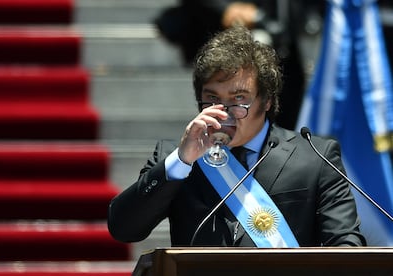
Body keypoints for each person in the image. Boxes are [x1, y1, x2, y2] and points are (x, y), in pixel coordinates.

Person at [108, 25, 366, 247]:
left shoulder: (315, 157)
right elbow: (123, 229)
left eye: (239, 99)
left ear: (267, 101)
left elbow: (346, 244)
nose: (223, 113)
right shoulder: (176, 159)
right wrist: (182, 162)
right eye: (212, 99)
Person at [155, 0, 326, 130]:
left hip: (287, 50)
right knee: (225, 123)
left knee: (284, 125)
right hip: (227, 46)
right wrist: (233, 9)